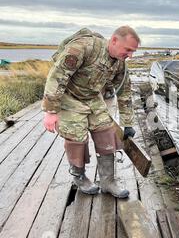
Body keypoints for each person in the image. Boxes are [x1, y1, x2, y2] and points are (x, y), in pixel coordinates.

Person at [42, 26, 140, 198]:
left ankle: (108, 182)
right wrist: (50, 111)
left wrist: (128, 122)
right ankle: (79, 178)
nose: (130, 55)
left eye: (133, 52)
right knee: (76, 139)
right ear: (114, 40)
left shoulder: (119, 63)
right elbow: (57, 76)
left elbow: (124, 91)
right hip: (69, 98)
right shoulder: (83, 47)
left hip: (93, 98)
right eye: (128, 50)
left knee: (107, 133)